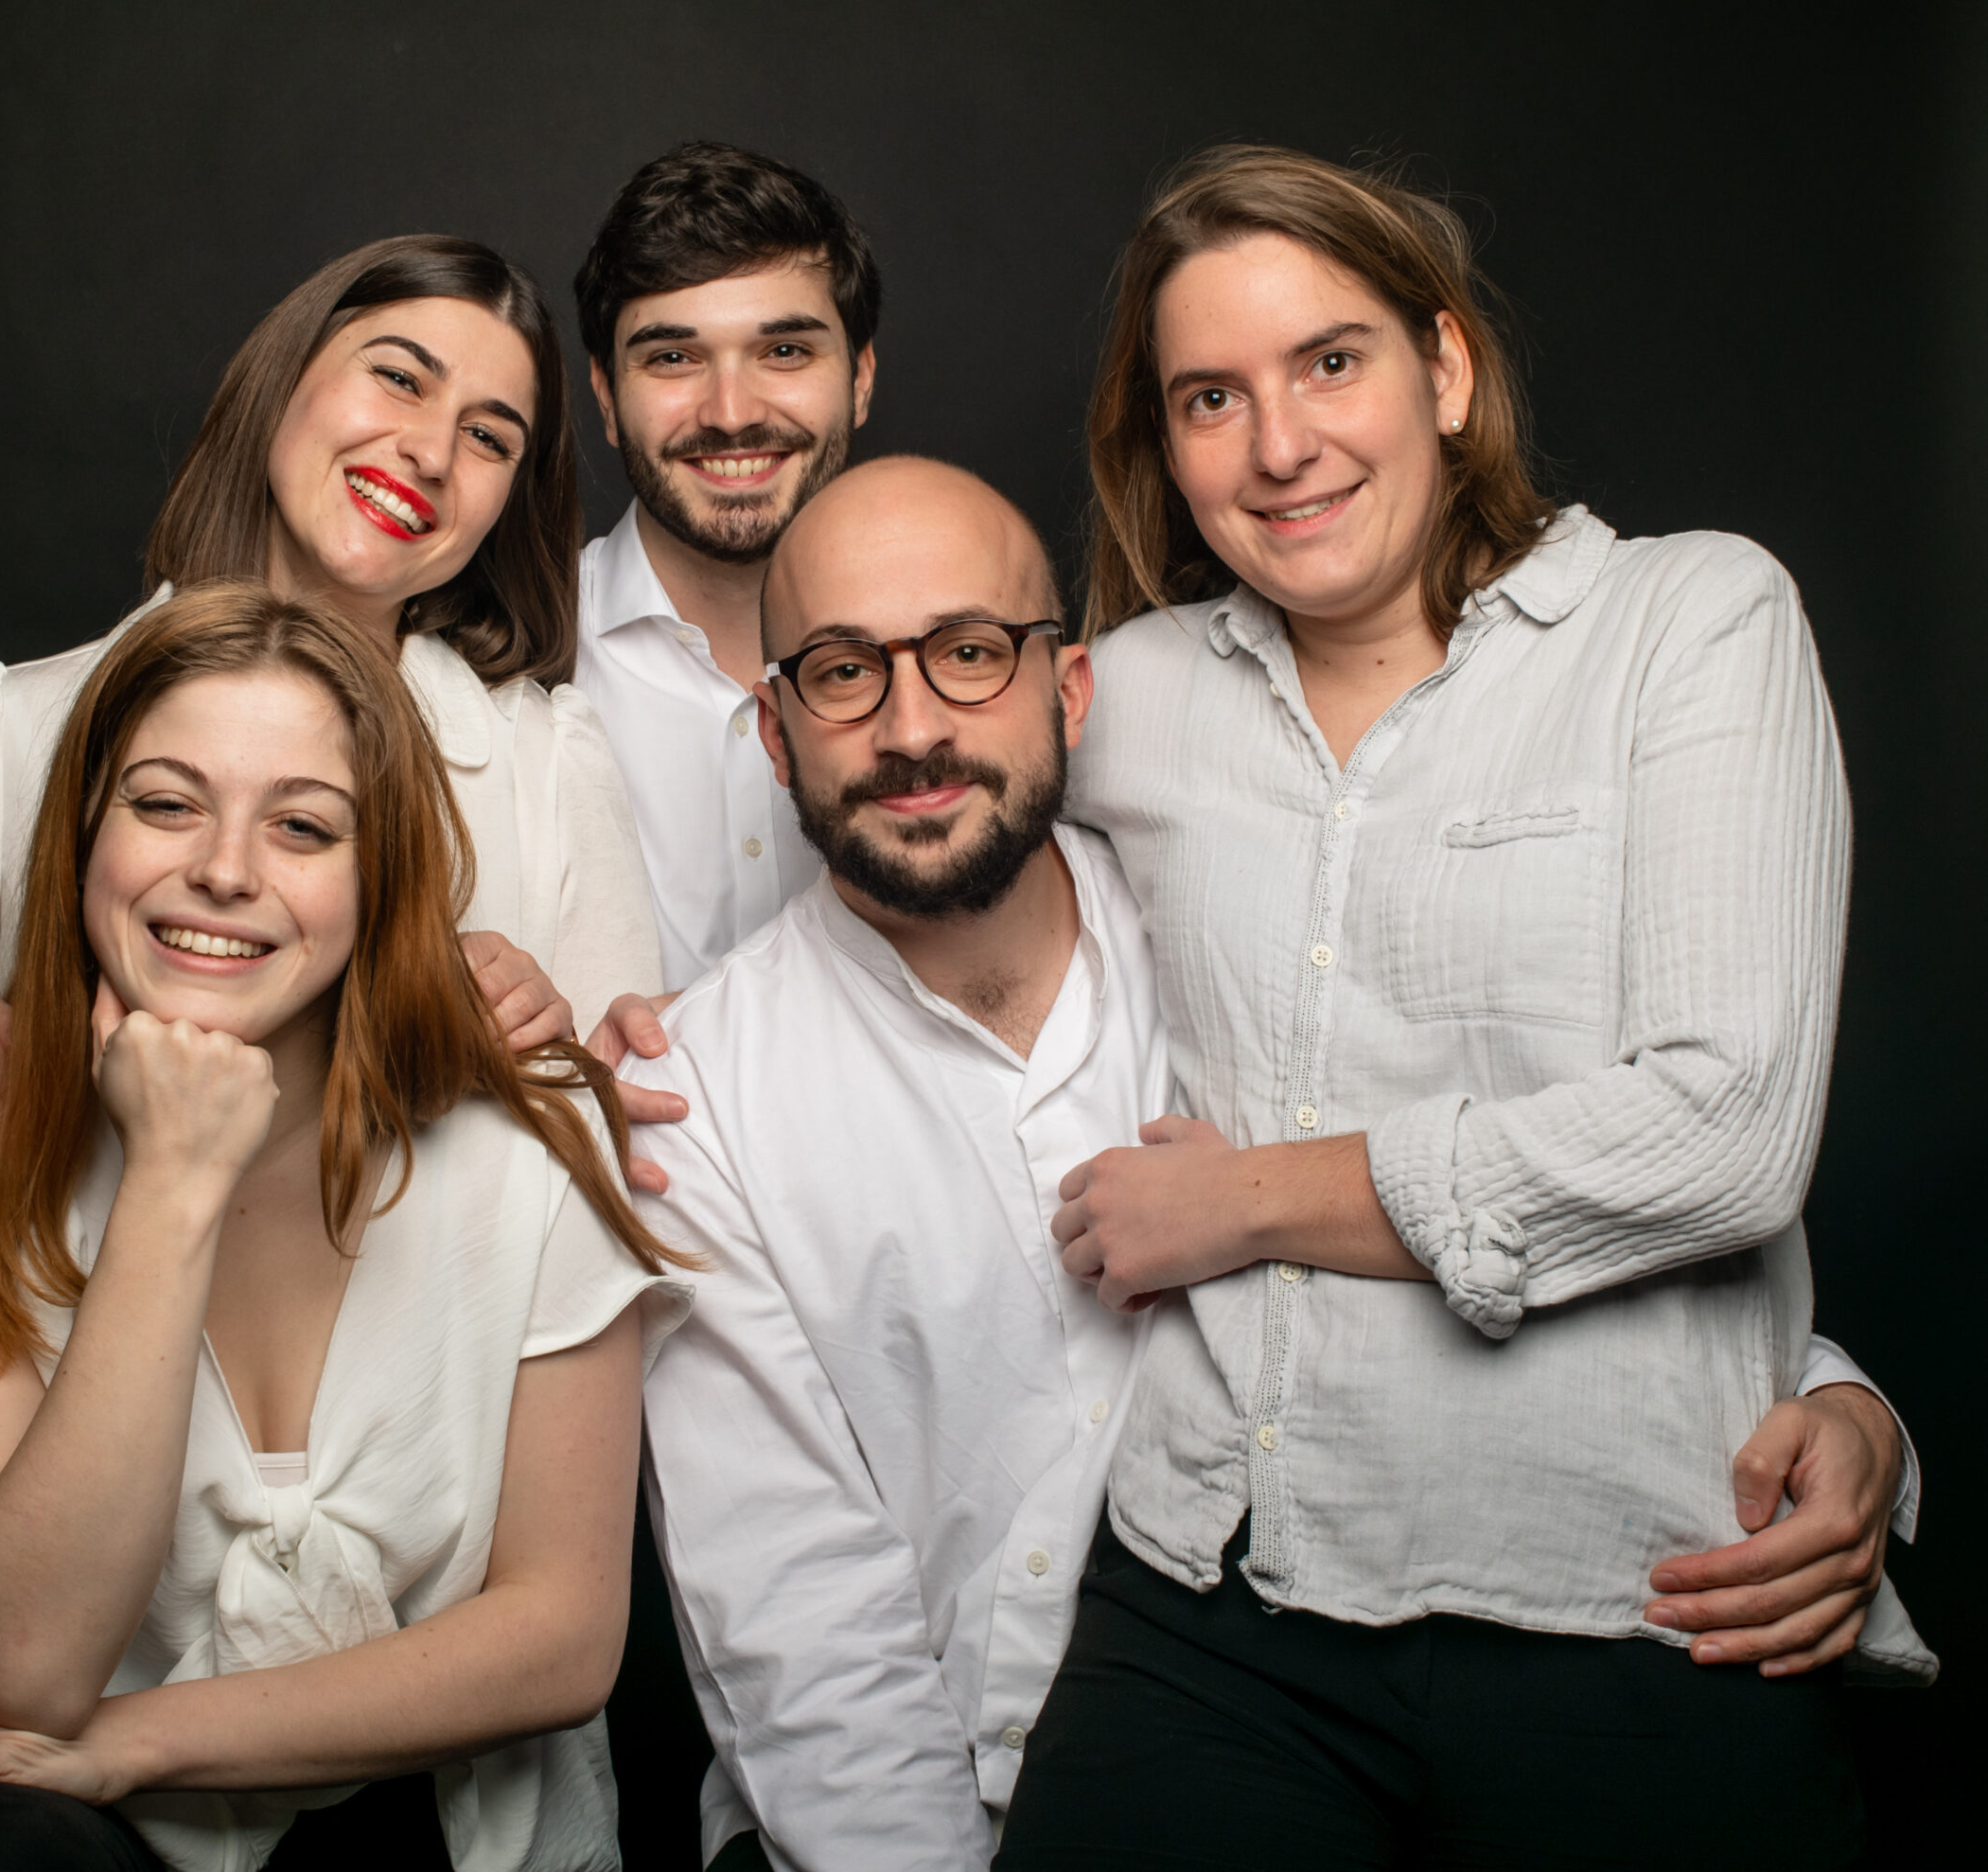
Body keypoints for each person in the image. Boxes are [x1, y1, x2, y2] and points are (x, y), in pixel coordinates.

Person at [628, 458, 1920, 1872]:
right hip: (950, 1811)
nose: (913, 725)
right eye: (840, 673)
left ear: (1069, 689)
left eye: (969, 652)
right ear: (772, 728)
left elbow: (1489, 1166)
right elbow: (796, 1619)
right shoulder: (696, 1092)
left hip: (1348, 1730)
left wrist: (1821, 1390)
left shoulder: (1225, 922)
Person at [994, 147, 1933, 1870]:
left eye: (1329, 360)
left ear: (1446, 368)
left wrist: (1243, 1200)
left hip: (1635, 1596)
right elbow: (876, 804)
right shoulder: (1122, 699)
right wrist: (555, 991)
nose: (1280, 446)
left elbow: (1725, 1136)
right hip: (1218, 1600)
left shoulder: (1689, 622)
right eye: (1212, 396)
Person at [0, 582, 693, 1871]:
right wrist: (173, 1183)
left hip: (438, 1833)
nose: (226, 869)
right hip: (61, 1842)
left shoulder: (526, 1155)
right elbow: (28, 1666)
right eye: (166, 803)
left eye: (303, 825)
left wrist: (130, 1737)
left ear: (381, 877)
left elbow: (562, 1636)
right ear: (82, 834)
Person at [0, 234, 660, 1168]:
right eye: (400, 379)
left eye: (489, 437)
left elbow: (627, 1135)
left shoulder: (548, 765)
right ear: (284, 379)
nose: (431, 450)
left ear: (507, 504)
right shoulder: (7, 727)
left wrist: (549, 1042)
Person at [571, 141, 878, 999]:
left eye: (783, 352)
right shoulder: (507, 654)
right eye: (673, 357)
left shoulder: (972, 674)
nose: (732, 414)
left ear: (859, 379)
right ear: (604, 396)